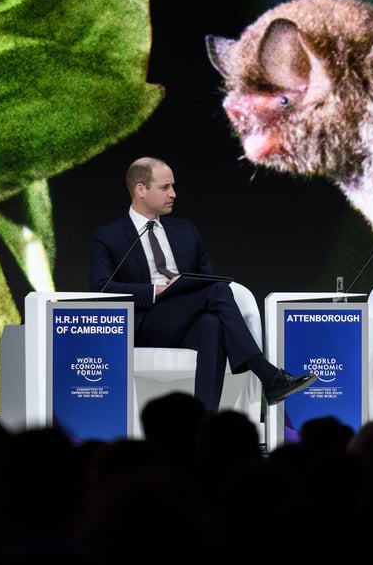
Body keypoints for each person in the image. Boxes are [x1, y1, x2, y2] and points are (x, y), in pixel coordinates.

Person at [89, 156, 316, 412]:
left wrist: (183, 286)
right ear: (141, 189)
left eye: (173, 186)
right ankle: (268, 375)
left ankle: (203, 422)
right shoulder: (109, 236)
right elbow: (101, 287)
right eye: (165, 188)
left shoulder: (185, 229)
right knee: (218, 293)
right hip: (146, 322)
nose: (173, 194)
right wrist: (155, 290)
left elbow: (206, 279)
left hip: (187, 317)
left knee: (213, 323)